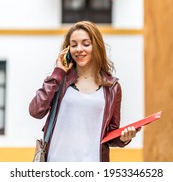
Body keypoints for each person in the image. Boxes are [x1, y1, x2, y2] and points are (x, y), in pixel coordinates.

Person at [29, 21, 140, 162]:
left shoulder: (112, 87)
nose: (79, 49)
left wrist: (124, 138)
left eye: (86, 44)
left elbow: (110, 134)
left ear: (97, 46)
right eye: (74, 45)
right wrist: (58, 73)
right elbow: (35, 111)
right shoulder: (59, 80)